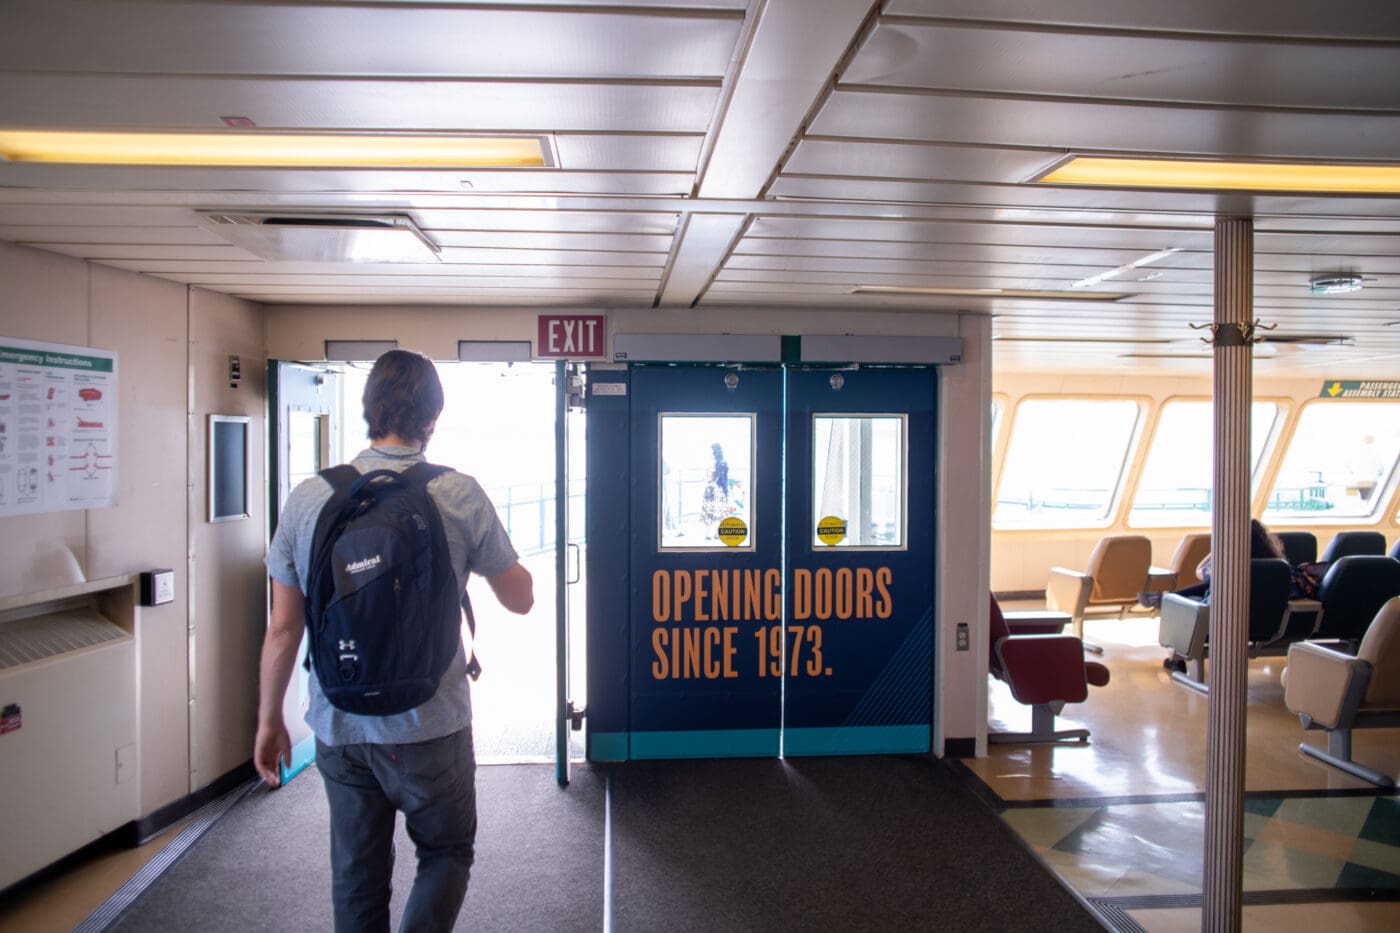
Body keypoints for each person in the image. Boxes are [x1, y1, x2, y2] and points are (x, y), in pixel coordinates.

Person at [254, 350, 533, 933]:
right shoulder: (457, 493)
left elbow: (284, 627)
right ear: (433, 417)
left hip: (339, 723)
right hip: (431, 724)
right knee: (446, 853)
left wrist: (269, 720)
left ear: (367, 410)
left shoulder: (309, 498)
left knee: (357, 876)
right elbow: (520, 597)